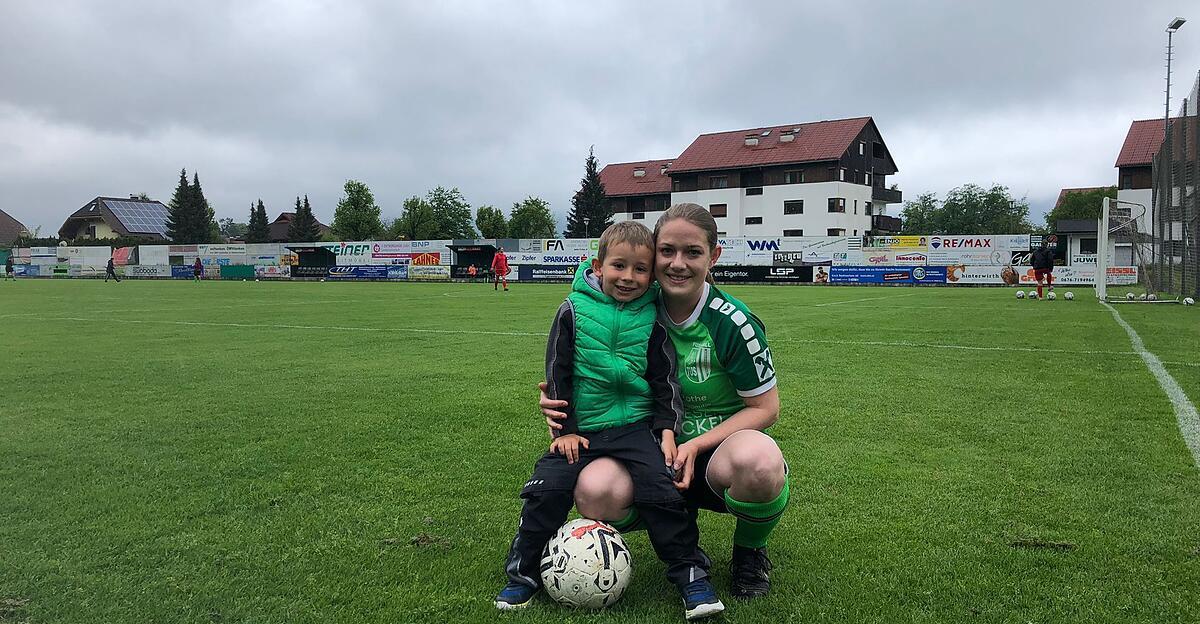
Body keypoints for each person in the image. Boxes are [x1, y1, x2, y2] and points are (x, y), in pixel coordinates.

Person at [541, 203, 787, 600]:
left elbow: (766, 408)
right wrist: (556, 396)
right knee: (593, 489)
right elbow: (586, 356)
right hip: (647, 450)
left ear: (714, 257)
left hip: (714, 453)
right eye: (667, 251)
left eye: (692, 253)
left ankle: (749, 553)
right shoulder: (635, 302)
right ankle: (684, 545)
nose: (677, 264)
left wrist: (693, 444)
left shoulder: (733, 322)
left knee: (760, 461)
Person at [497, 221, 724, 620]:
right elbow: (557, 371)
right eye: (619, 266)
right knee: (546, 491)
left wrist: (665, 429)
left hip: (635, 428)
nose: (629, 278)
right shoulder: (572, 309)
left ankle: (690, 576)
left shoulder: (653, 315)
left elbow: (664, 380)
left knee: (663, 490)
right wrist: (565, 430)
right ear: (598, 265)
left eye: (640, 269)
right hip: (583, 427)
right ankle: (523, 573)